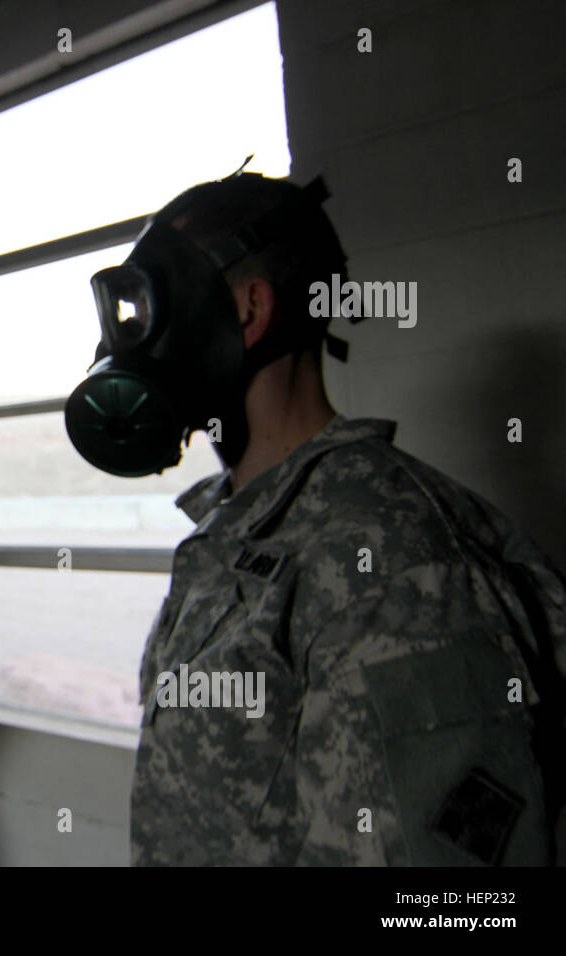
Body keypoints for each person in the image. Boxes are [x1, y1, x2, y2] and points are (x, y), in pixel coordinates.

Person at [65, 169, 566, 865]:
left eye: (148, 310)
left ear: (249, 309)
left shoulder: (393, 559)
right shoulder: (237, 534)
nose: (125, 347)